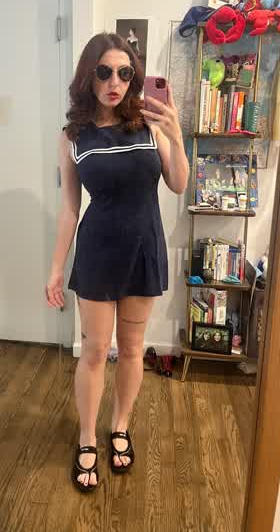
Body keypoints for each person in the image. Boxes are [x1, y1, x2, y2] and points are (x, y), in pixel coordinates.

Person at [45, 32, 189, 492]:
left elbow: (179, 184)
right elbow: (70, 209)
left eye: (125, 73)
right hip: (98, 252)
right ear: (88, 76)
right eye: (104, 72)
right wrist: (56, 267)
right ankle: (87, 436)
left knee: (131, 349)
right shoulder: (72, 137)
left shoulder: (149, 124)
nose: (115, 82)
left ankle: (120, 426)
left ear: (134, 77)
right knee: (93, 351)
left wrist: (176, 136)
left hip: (144, 249)